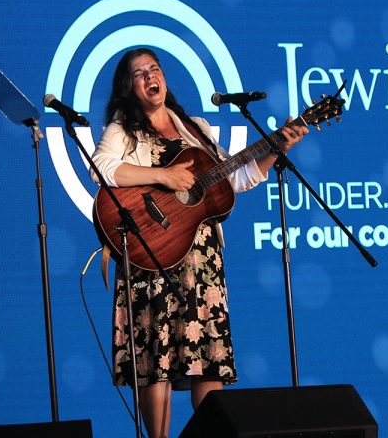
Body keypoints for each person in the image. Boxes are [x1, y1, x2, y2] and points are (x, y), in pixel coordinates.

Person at [90, 47, 308, 438]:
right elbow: (100, 168)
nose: (149, 76)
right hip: (152, 253)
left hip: (201, 262)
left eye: (154, 68)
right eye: (139, 73)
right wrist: (164, 176)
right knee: (157, 357)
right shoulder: (122, 131)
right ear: (128, 87)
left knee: (207, 358)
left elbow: (234, 181)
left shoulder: (197, 128)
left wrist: (277, 149)